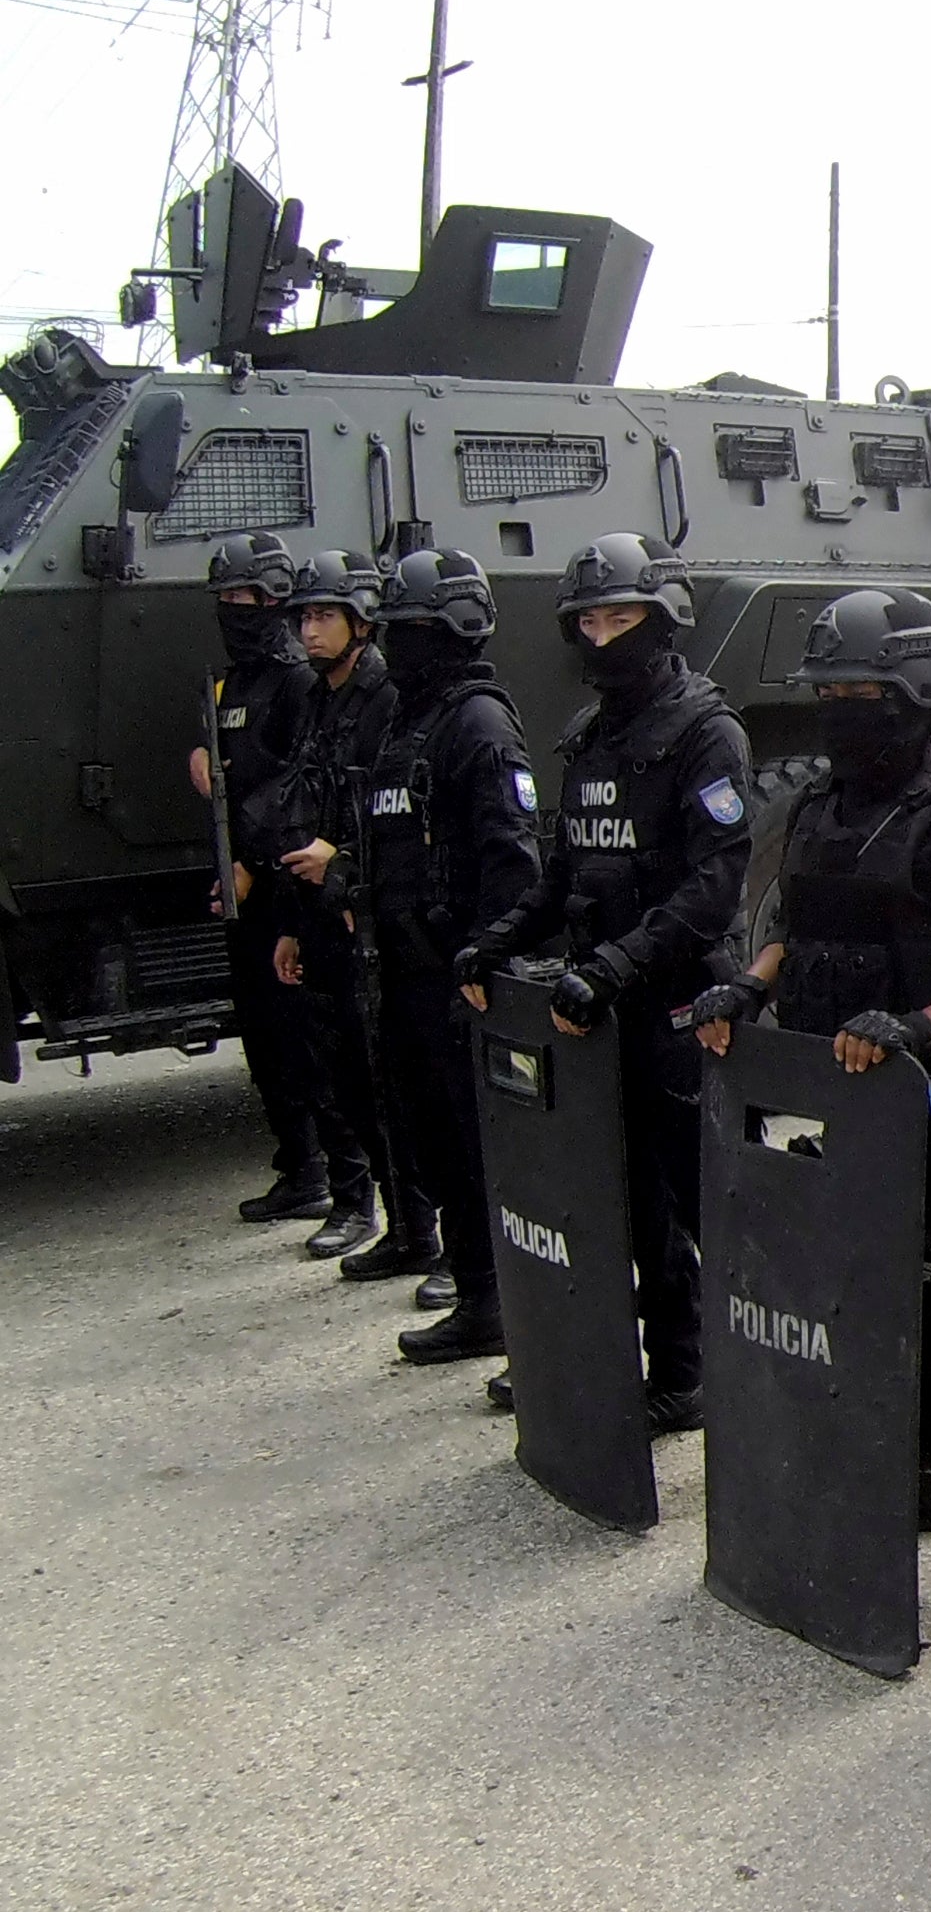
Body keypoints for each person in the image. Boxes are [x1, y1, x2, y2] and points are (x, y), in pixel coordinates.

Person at [690, 588, 931, 1615]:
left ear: (920, 693)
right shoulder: (817, 807)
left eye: (864, 691)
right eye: (831, 691)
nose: (844, 709)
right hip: (853, 1113)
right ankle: (928, 1479)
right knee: (890, 1303)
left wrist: (922, 1029)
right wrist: (753, 982)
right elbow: (800, 928)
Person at [453, 534, 750, 1430]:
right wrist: (496, 941)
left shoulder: (707, 731)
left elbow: (714, 886)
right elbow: (562, 875)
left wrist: (614, 968)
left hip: (675, 1002)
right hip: (600, 1004)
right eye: (588, 619)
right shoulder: (589, 737)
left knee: (704, 1200)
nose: (602, 633)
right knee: (628, 1199)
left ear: (662, 621)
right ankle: (676, 1369)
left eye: (620, 616)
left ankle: (759, 1373)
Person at [360, 550, 541, 1363]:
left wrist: (486, 962)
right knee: (432, 1138)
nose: (403, 646)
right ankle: (476, 1297)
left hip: (456, 973)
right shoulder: (406, 722)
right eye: (395, 630)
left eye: (420, 631)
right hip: (402, 969)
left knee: (477, 1152)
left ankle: (503, 1305)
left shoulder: (478, 724)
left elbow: (512, 856)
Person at [199, 531, 364, 1227]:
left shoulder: (297, 680)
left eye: (249, 598)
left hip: (289, 884)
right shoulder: (228, 685)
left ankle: (338, 1180)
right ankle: (298, 1167)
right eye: (227, 599)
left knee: (309, 1040)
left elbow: (298, 786)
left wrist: (250, 861)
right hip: (244, 885)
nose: (238, 610)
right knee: (263, 1038)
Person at [260, 550, 412, 1266]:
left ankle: (420, 1230)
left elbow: (399, 816)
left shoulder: (388, 699)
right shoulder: (315, 699)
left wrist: (343, 863)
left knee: (386, 1078)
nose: (309, 631)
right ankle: (360, 1205)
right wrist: (292, 922)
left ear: (360, 622)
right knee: (338, 1073)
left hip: (366, 912)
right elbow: (301, 801)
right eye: (304, 616)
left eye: (324, 615)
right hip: (317, 911)